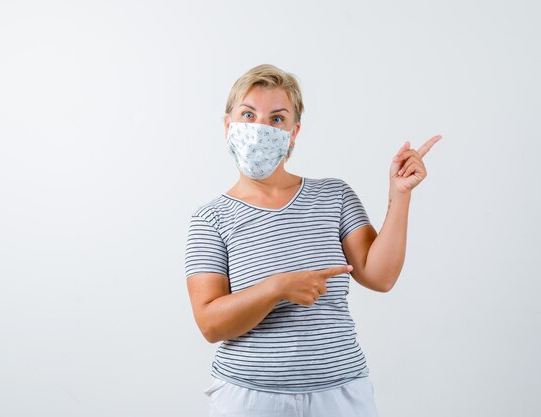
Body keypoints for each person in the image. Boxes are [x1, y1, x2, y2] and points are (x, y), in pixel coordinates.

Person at [184, 64, 441, 417]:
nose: (260, 128)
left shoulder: (333, 196)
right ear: (228, 125)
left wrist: (400, 194)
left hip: (341, 394)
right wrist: (277, 288)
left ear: (293, 132)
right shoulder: (210, 219)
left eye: (277, 118)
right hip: (249, 399)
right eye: (248, 114)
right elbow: (211, 324)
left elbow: (380, 277)